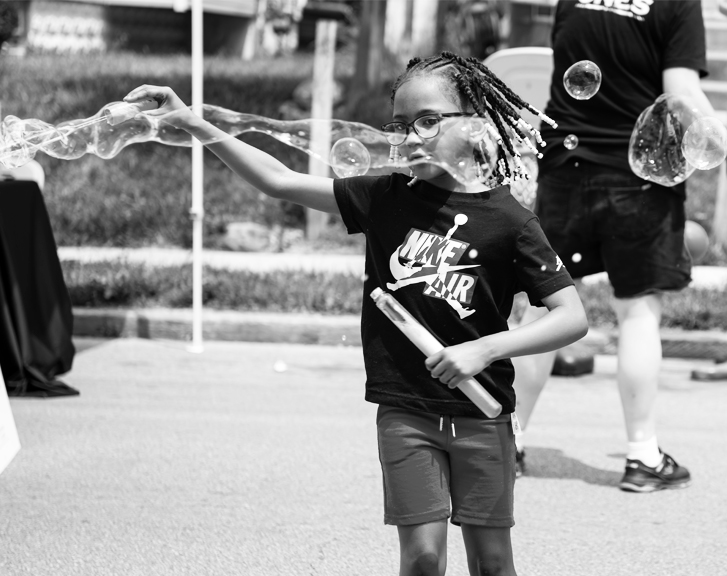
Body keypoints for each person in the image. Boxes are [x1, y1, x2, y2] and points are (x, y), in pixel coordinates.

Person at [124, 51, 588, 575]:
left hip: (484, 416)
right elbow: (279, 180)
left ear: (475, 122)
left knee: (493, 563)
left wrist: (484, 349)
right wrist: (193, 123)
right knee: (422, 560)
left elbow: (571, 316)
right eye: (400, 125)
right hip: (405, 413)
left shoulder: (511, 221)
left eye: (428, 121)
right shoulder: (385, 198)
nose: (410, 137)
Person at [510, 0, 727, 492]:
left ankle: (508, 442)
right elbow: (681, 92)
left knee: (543, 309)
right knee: (638, 312)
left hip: (565, 168)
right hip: (641, 174)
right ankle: (643, 458)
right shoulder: (676, 3)